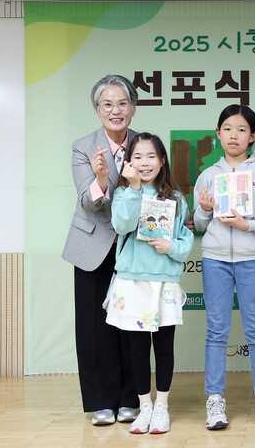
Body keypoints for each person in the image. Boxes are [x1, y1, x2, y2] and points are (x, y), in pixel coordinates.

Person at [193, 104, 255, 430]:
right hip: (216, 259)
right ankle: (214, 400)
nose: (233, 135)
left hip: (253, 259)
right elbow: (200, 224)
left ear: (252, 136)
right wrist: (205, 209)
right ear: (217, 134)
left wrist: (251, 226)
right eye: (227, 129)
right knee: (216, 331)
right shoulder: (209, 175)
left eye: (241, 130)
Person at [62, 74, 140, 425]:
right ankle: (100, 402)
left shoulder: (145, 143)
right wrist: (101, 178)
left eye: (122, 103)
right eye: (107, 104)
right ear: (98, 111)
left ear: (133, 108)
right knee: (94, 328)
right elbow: (88, 202)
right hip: (92, 244)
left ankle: (131, 398)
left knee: (131, 324)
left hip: (133, 245)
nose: (115, 110)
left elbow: (157, 191)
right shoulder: (83, 146)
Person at [103, 132, 194, 434]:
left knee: (164, 349)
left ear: (162, 160)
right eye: (137, 157)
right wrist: (133, 188)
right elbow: (122, 225)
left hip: (164, 283)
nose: (144, 163)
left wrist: (171, 247)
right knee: (138, 351)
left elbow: (184, 240)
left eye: (151, 156)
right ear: (129, 162)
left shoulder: (175, 198)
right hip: (131, 282)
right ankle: (145, 407)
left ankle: (162, 407)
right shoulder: (123, 193)